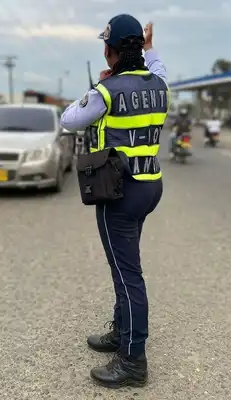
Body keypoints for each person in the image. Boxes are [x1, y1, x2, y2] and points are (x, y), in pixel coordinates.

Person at [60, 16, 170, 389]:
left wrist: (97, 87)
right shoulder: (160, 84)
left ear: (113, 51)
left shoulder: (108, 91)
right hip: (149, 186)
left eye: (106, 45)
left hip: (119, 191)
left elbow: (69, 120)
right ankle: (121, 332)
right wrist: (149, 46)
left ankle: (133, 360)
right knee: (126, 269)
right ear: (137, 48)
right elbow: (157, 66)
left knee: (127, 276)